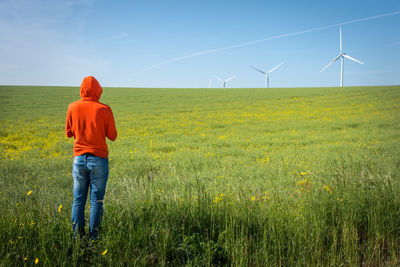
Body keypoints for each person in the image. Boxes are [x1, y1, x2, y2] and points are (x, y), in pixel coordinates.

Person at [65, 76, 117, 240]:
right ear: (98, 90)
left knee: (78, 200)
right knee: (97, 201)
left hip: (79, 159)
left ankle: (77, 238)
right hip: (99, 160)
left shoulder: (72, 107)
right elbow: (113, 136)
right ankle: (94, 239)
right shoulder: (104, 109)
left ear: (81, 89)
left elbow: (68, 133)